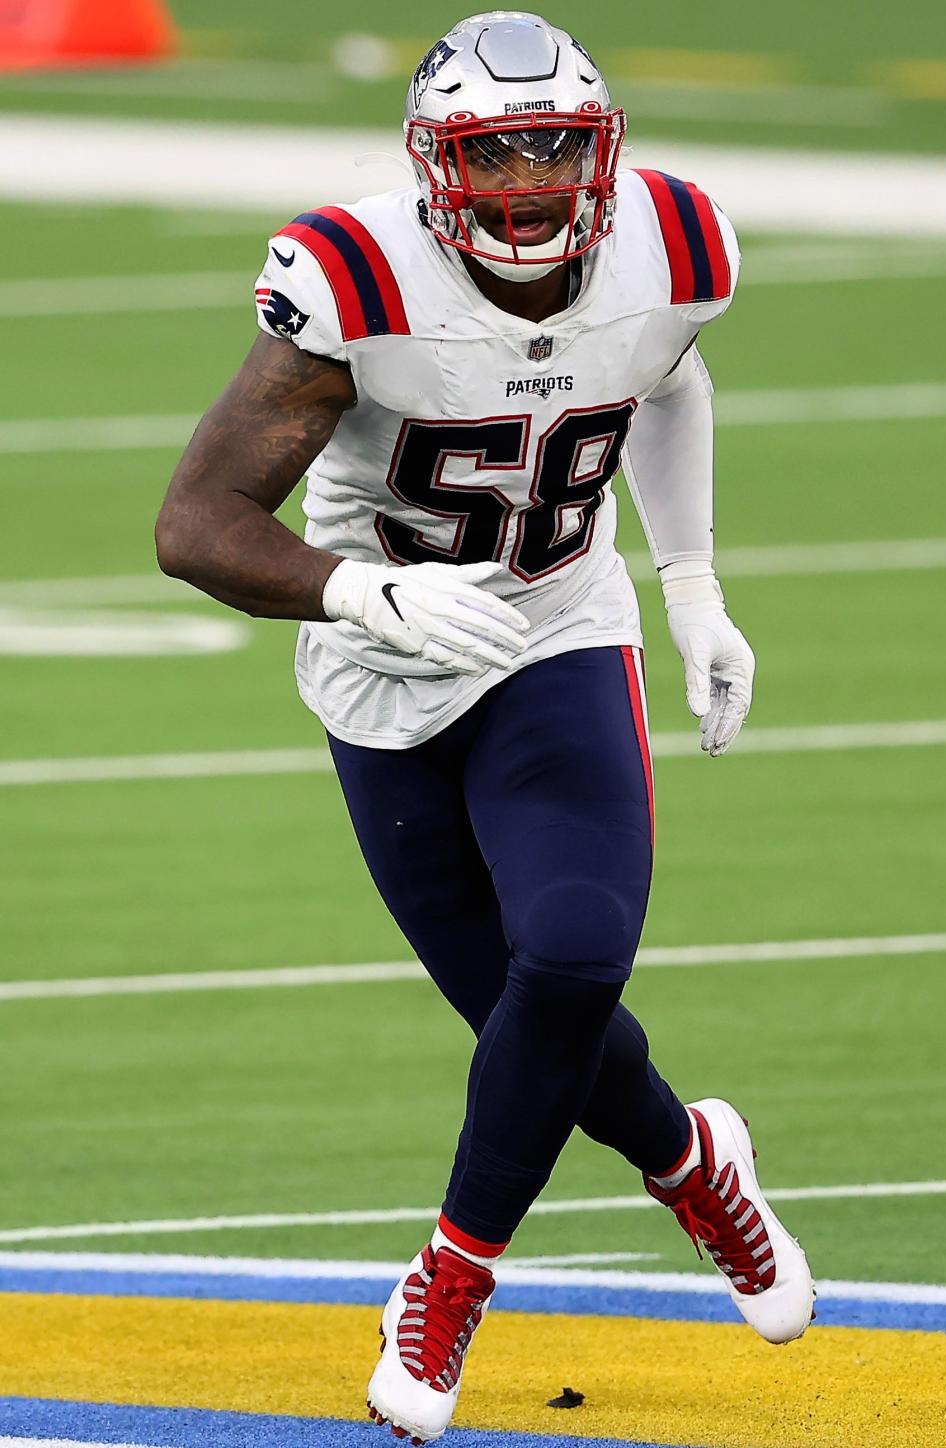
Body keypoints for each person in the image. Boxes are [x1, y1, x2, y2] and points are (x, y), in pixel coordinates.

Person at [155, 11, 814, 1443]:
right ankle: (693, 1160)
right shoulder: (357, 275)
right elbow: (194, 525)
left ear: (603, 152)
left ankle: (448, 1281)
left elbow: (666, 376)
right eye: (491, 152)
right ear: (431, 167)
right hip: (384, 676)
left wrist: (691, 583)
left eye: (554, 147)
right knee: (539, 1026)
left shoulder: (675, 246)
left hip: (557, 629)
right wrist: (359, 593)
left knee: (573, 960)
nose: (526, 183)